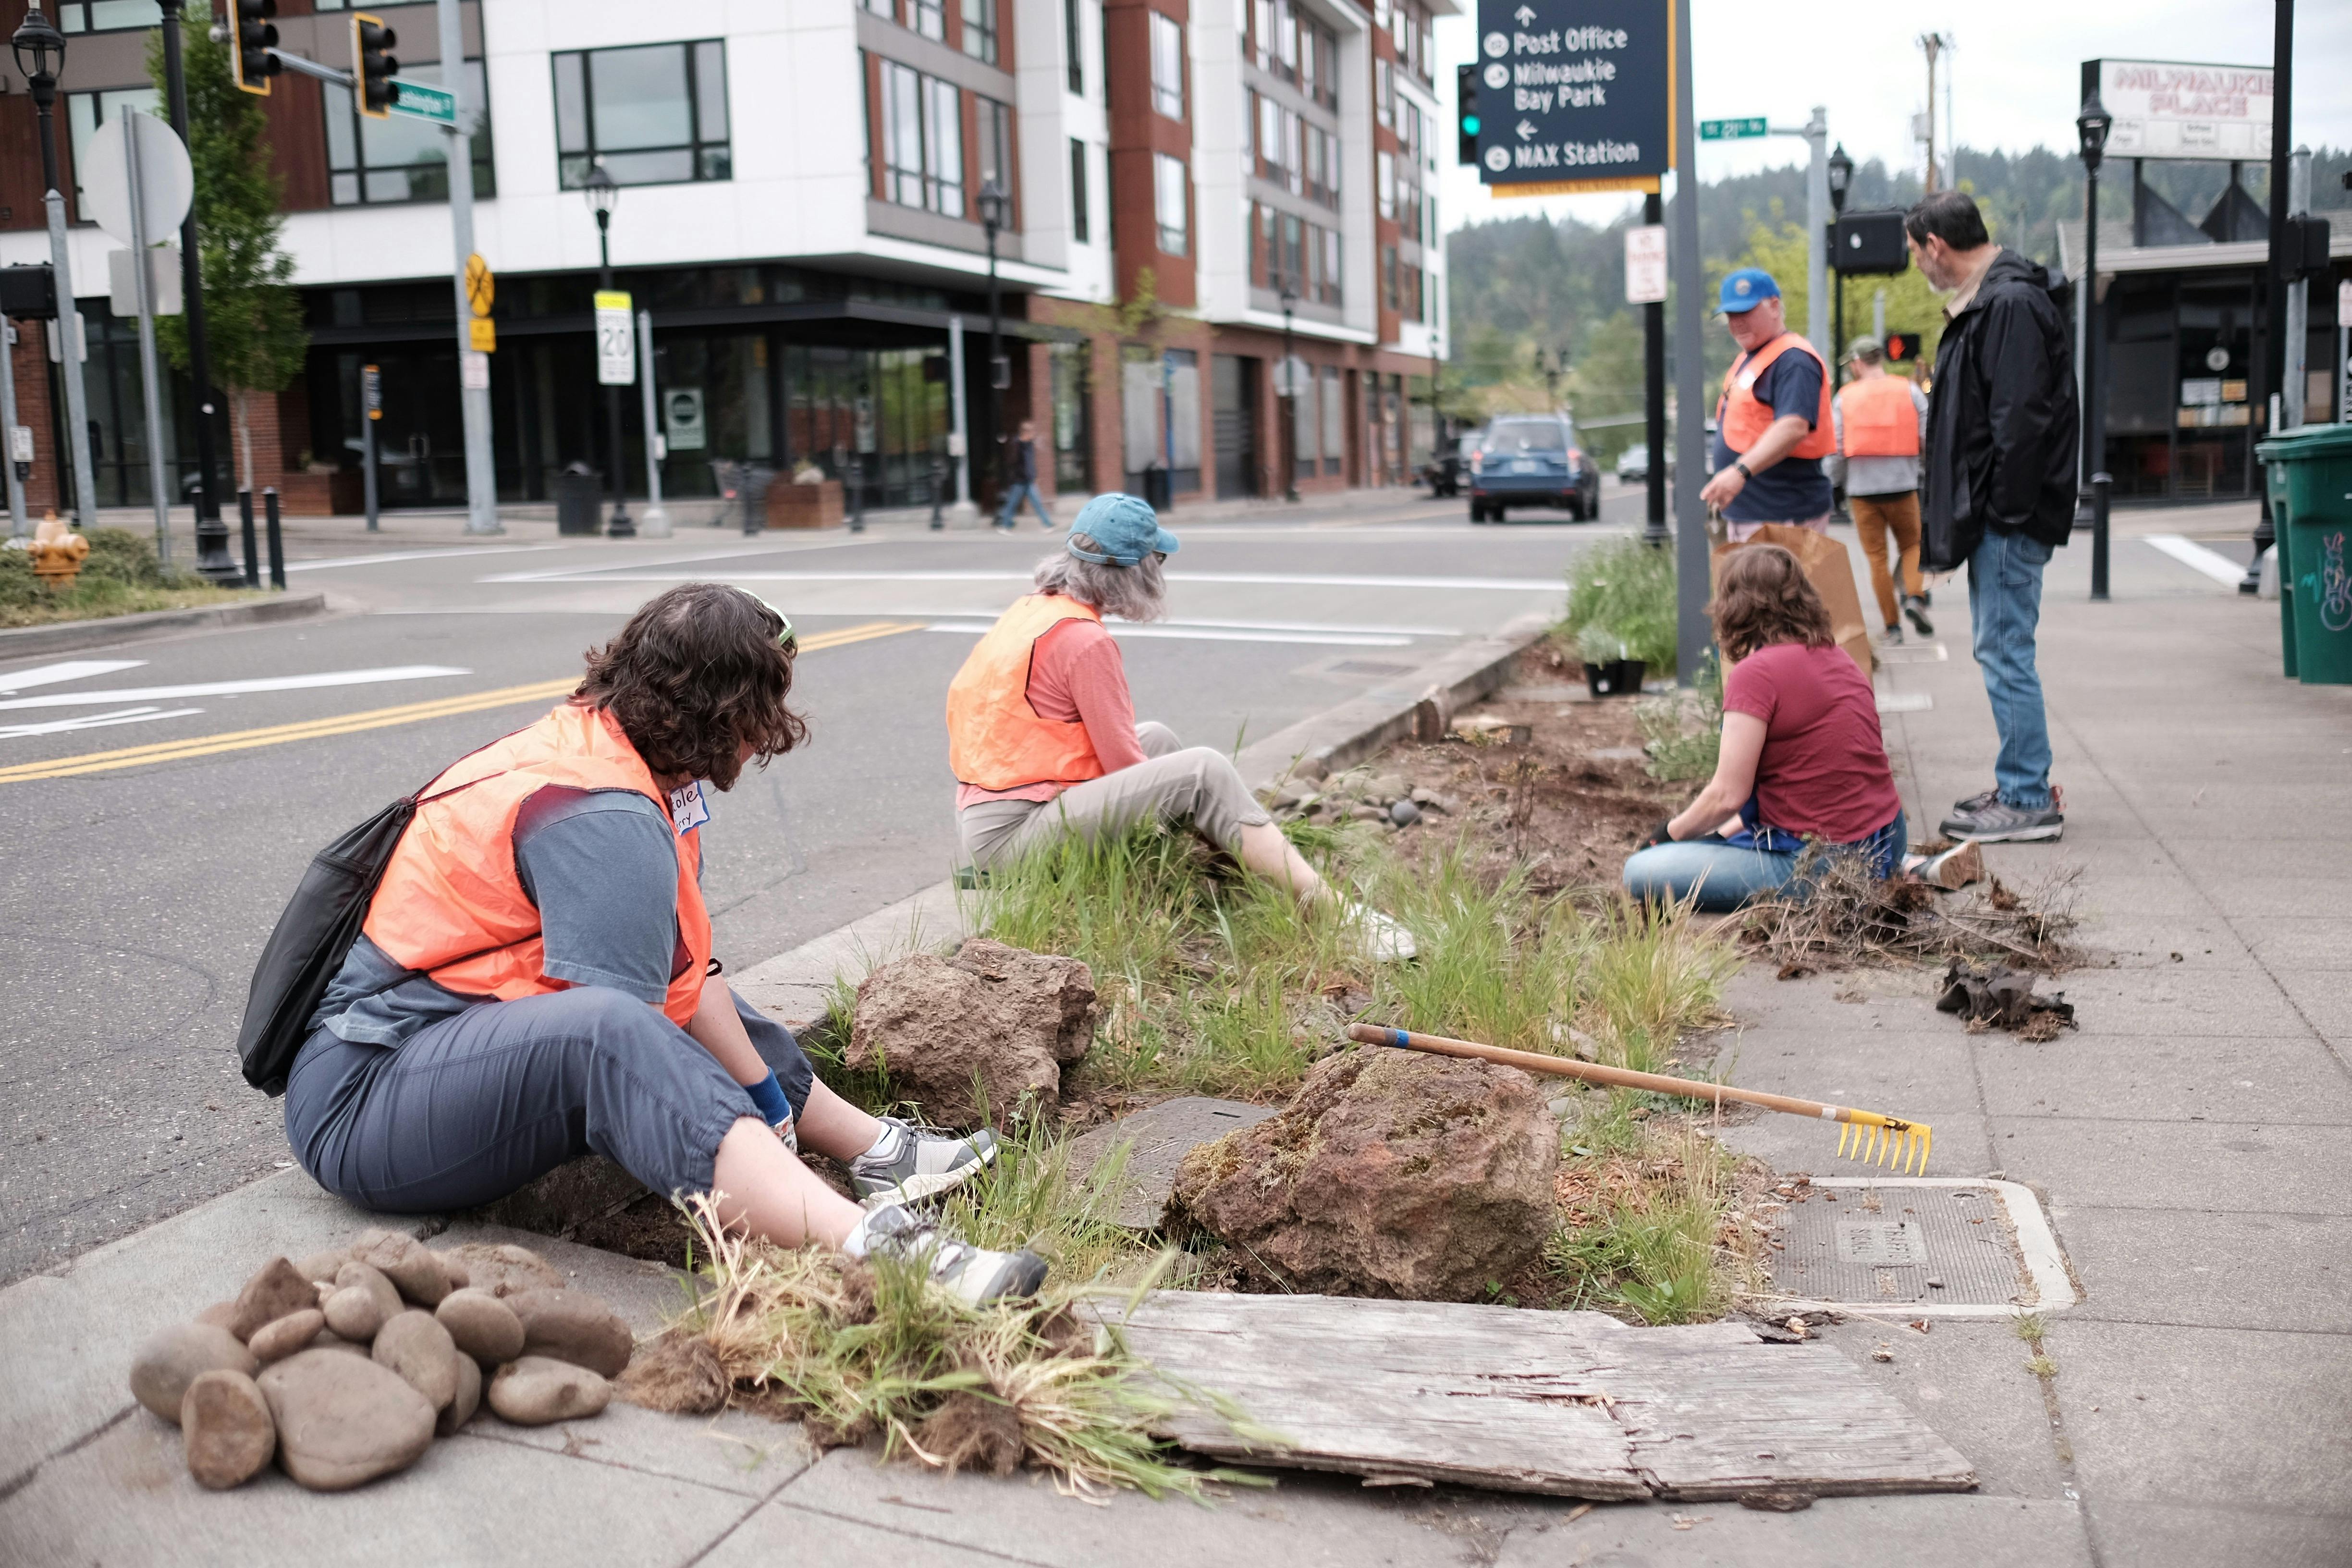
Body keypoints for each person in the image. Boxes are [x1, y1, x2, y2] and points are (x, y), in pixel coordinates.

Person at [284, 585, 1046, 1305]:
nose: (761, 741)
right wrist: (758, 1118)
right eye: (764, 711)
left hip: (433, 1048)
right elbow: (634, 1039)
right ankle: (883, 1251)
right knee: (613, 1031)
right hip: (364, 1100)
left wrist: (769, 1099)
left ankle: (877, 1153)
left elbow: (690, 979)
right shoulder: (602, 815)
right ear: (726, 714)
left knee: (692, 993)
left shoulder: (610, 752)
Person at [948, 492, 1417, 961]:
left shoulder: (1036, 611)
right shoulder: (1084, 640)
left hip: (995, 814)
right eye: (1159, 559)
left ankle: (1228, 876)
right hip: (1014, 838)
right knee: (1201, 771)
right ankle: (1334, 913)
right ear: (1136, 571)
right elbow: (1121, 765)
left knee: (1160, 740)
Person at [1906, 190, 2078, 844]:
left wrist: (2001, 513)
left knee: (2004, 651)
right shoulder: (2004, 298)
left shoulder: (2006, 303)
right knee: (2003, 649)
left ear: (1937, 246)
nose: (1919, 266)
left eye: (1917, 254)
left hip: (2010, 519)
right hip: (2007, 515)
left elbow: (2019, 422)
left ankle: (2028, 796)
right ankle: (2019, 783)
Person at [1622, 546, 1906, 912]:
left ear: (1735, 608)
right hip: (1886, 841)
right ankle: (1910, 865)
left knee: (1640, 872)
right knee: (1711, 844)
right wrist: (1712, 838)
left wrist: (1666, 836)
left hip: (1821, 865)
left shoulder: (1756, 674)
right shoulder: (1838, 657)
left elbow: (1727, 794)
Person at [1697, 268, 1836, 542]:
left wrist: (1739, 473)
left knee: (1783, 587)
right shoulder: (1754, 357)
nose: (1737, 323)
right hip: (1755, 514)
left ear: (1774, 306)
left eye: (1745, 312)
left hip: (1782, 516)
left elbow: (1794, 426)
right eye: (1731, 316)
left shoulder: (1793, 360)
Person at [1831, 336, 1934, 645]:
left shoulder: (1845, 397)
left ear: (1858, 363)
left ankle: (1892, 628)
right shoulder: (1910, 391)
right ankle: (1915, 597)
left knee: (1876, 558)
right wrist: (1925, 469)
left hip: (1863, 492)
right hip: (1903, 486)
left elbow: (1836, 448)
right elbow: (1928, 437)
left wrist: (1836, 482)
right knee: (1913, 546)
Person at [995, 420, 1054, 531]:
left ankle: (1048, 524)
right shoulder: (1016, 445)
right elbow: (1012, 462)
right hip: (1019, 480)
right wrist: (1021, 474)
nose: (1034, 434)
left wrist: (1034, 475)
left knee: (1037, 503)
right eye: (1032, 432)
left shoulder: (1029, 445)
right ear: (1026, 432)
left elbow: (1030, 463)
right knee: (1012, 503)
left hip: (1028, 479)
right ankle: (1004, 524)